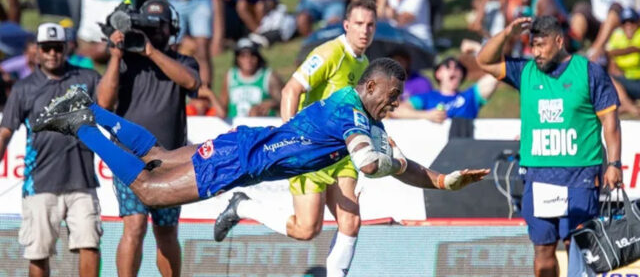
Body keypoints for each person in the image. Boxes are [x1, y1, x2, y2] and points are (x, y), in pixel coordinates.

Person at [32, 60, 489, 262]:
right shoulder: (350, 111)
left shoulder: (364, 114)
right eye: (390, 98)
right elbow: (371, 164)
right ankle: (80, 124)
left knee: (156, 157)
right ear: (371, 87)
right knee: (147, 189)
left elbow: (402, 165)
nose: (393, 105)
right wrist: (387, 161)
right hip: (241, 162)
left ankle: (89, 108)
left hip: (243, 147)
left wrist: (446, 182)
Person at [476, 16, 623, 277]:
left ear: (559, 40)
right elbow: (484, 60)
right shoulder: (525, 71)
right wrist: (507, 33)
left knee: (578, 249)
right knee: (543, 253)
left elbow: (610, 123)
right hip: (539, 176)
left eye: (541, 45)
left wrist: (613, 164)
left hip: (580, 175)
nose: (536, 52)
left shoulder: (588, 71)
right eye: (532, 46)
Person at [96, 0, 200, 277]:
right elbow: (103, 103)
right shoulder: (126, 61)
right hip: (128, 158)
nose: (155, 32)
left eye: (160, 26)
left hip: (171, 161)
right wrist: (116, 55)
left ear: (172, 29)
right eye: (149, 26)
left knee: (166, 231)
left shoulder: (182, 60)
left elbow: (191, 83)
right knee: (135, 225)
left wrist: (151, 51)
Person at [279, 0, 375, 276]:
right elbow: (290, 91)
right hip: (310, 149)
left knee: (351, 222)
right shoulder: (331, 52)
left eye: (370, 25)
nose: (364, 30)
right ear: (346, 25)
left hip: (341, 152)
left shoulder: (364, 61)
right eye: (358, 24)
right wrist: (290, 141)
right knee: (308, 229)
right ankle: (244, 206)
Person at [0, 23, 102, 277]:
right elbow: (5, 132)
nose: (53, 53)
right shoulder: (24, 88)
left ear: (66, 48)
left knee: (90, 245)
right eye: (47, 48)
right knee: (39, 252)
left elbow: (111, 106)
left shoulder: (87, 78)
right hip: (39, 183)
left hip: (82, 180)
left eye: (58, 47)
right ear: (37, 50)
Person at [391, 57, 498, 122]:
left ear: (462, 75)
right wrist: (427, 115)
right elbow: (397, 111)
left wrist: (477, 49)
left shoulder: (470, 96)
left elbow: (496, 73)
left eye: (457, 68)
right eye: (447, 66)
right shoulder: (426, 98)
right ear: (438, 74)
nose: (453, 70)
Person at [220, 38, 283, 118]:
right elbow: (223, 104)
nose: (248, 60)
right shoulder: (230, 76)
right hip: (235, 126)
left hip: (261, 125)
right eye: (243, 56)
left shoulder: (268, 76)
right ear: (237, 58)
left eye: (252, 55)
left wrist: (270, 104)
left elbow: (283, 101)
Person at [606, 8, 640, 116]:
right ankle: (629, 106)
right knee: (609, 78)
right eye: (625, 22)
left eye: (632, 22)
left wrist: (628, 50)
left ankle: (626, 107)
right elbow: (609, 55)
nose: (628, 25)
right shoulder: (617, 36)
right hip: (627, 81)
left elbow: (610, 52)